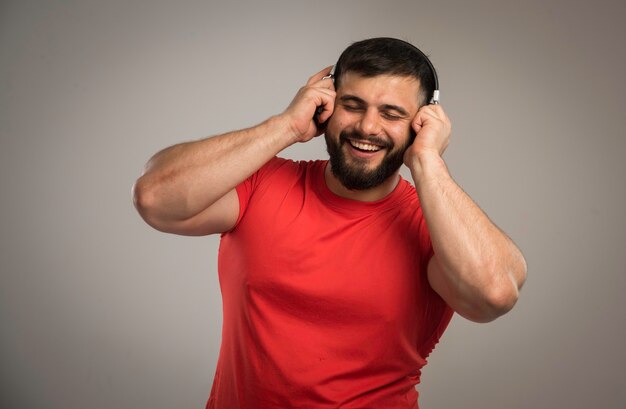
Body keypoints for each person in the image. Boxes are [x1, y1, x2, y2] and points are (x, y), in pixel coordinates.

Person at [132, 37, 527, 409]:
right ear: (327, 105)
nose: (368, 127)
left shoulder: (434, 226)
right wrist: (286, 126)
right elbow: (155, 198)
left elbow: (493, 296)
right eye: (353, 105)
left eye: (392, 113)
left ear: (421, 124)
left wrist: (427, 161)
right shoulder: (261, 183)